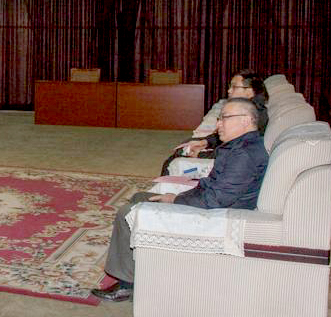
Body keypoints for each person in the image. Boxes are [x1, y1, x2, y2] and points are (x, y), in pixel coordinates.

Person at [93, 97, 269, 302]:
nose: (219, 124)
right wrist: (179, 196)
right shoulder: (241, 145)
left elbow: (216, 200)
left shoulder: (244, 155)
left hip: (216, 217)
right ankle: (141, 268)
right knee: (139, 197)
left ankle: (127, 284)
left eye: (224, 118)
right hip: (209, 203)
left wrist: (174, 200)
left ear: (246, 120)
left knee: (127, 213)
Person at [161, 70, 268, 175]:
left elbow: (233, 149)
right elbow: (229, 137)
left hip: (225, 164)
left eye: (234, 87)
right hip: (223, 153)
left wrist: (201, 154)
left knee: (173, 161)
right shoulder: (248, 108)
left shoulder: (251, 116)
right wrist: (205, 142)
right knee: (187, 145)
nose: (229, 91)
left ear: (250, 91)